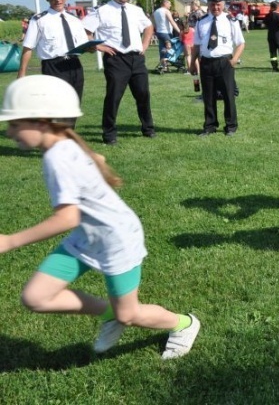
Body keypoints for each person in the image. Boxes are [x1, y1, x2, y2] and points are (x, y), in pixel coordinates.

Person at [0, 75, 201, 359]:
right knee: (36, 297)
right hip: (87, 237)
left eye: (15, 124)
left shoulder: (57, 157)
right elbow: (98, 163)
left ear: (42, 121)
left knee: (129, 314)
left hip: (116, 240)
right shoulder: (64, 145)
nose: (10, 132)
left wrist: (10, 241)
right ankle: (111, 315)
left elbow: (67, 218)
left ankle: (184, 324)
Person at [82, 0, 156, 145]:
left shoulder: (136, 10)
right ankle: (109, 134)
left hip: (136, 58)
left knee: (143, 95)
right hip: (116, 59)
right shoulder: (101, 11)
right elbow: (85, 32)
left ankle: (148, 128)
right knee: (114, 97)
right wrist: (99, 47)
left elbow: (149, 27)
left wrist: (144, 45)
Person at [17, 0, 90, 103]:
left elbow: (83, 45)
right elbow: (28, 47)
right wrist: (22, 72)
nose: (58, 0)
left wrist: (92, 47)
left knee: (74, 105)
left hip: (75, 64)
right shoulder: (39, 20)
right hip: (53, 66)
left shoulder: (75, 20)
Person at [193, 0, 245, 137]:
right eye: (212, 4)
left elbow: (241, 43)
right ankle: (209, 126)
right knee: (208, 96)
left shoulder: (231, 20)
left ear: (223, 4)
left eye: (218, 4)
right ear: (208, 4)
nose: (215, 7)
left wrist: (234, 60)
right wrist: (192, 63)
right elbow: (196, 45)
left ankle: (231, 126)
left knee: (228, 95)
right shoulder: (201, 21)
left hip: (224, 62)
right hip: (206, 62)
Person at [152, 0, 180, 73]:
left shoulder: (156, 12)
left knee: (162, 48)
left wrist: (156, 30)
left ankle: (164, 66)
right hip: (166, 32)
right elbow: (172, 21)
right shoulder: (166, 11)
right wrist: (179, 31)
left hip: (159, 32)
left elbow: (153, 22)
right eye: (170, 4)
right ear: (165, 3)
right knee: (169, 48)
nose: (170, 6)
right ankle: (165, 64)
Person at [264, 1, 279, 72]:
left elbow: (263, 25)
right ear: (277, 7)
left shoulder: (267, 15)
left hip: (270, 35)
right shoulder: (278, 16)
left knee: (273, 52)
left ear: (271, 7)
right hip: (278, 36)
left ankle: (274, 68)